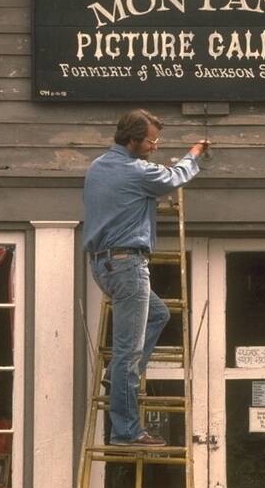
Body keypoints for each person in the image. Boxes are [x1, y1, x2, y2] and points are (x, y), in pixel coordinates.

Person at [83, 109, 210, 446]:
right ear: (132, 140)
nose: (155, 146)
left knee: (158, 314)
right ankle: (126, 431)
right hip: (128, 265)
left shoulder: (97, 167)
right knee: (129, 353)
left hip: (104, 266)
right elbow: (174, 177)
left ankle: (115, 376)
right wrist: (194, 153)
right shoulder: (136, 171)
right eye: (151, 141)